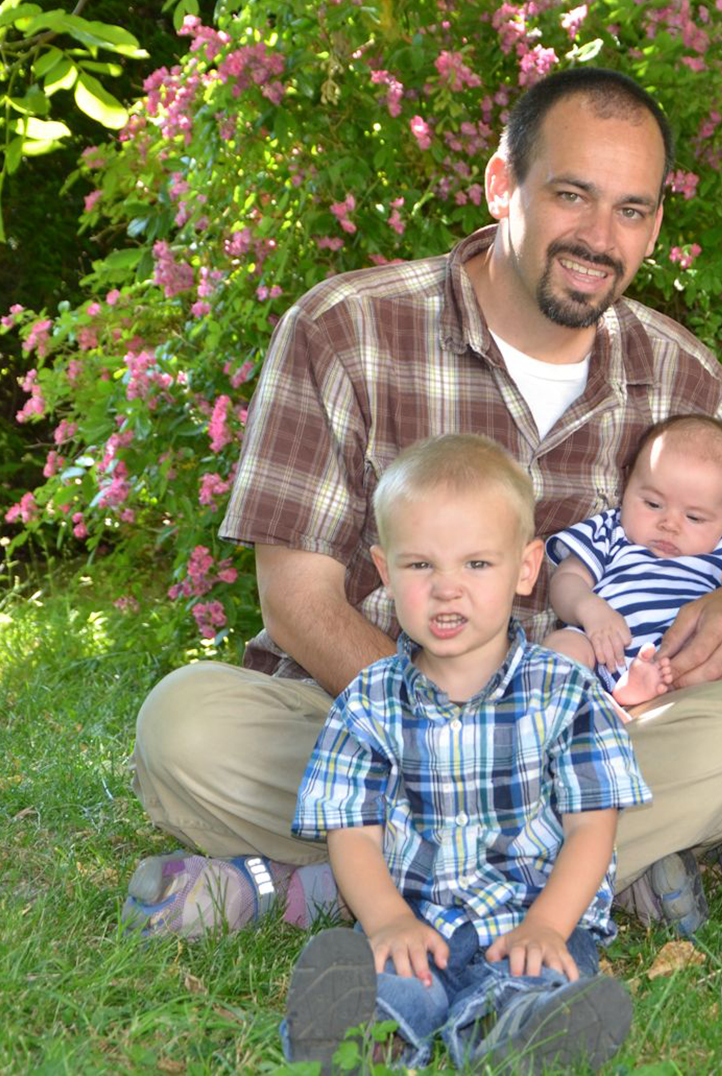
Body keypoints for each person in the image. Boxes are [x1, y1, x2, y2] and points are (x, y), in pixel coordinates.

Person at [122, 67, 722, 940]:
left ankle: (304, 887)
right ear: (502, 185)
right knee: (185, 729)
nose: (598, 235)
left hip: (585, 738)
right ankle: (594, 872)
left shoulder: (687, 379)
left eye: (630, 209)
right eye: (573, 195)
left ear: (656, 222)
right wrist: (448, 739)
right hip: (371, 719)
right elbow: (298, 601)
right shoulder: (343, 328)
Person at [281, 434, 650, 1070]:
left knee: (539, 981)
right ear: (384, 568)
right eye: (421, 565)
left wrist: (549, 926)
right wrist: (387, 921)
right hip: (417, 919)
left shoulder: (564, 692)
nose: (447, 589)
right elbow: (355, 835)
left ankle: (525, 1035)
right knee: (395, 983)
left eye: (477, 564)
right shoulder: (369, 700)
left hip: (532, 918)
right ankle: (362, 1033)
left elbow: (594, 826)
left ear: (527, 568)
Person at [544, 414, 722, 716]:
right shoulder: (611, 530)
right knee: (561, 645)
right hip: (602, 651)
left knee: (714, 670)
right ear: (627, 488)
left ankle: (631, 701)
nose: (669, 524)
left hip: (677, 668)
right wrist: (589, 609)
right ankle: (588, 709)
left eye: (694, 517)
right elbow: (567, 579)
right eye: (653, 504)